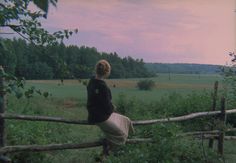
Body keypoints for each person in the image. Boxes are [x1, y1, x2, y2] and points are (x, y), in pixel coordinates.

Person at [86, 59, 134, 159]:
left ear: (96, 69)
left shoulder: (91, 82)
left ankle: (128, 141)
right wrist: (113, 107)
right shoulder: (103, 87)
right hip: (101, 117)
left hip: (96, 114)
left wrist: (109, 107)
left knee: (126, 120)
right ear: (107, 72)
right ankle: (107, 153)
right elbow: (107, 107)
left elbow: (97, 101)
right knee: (121, 136)